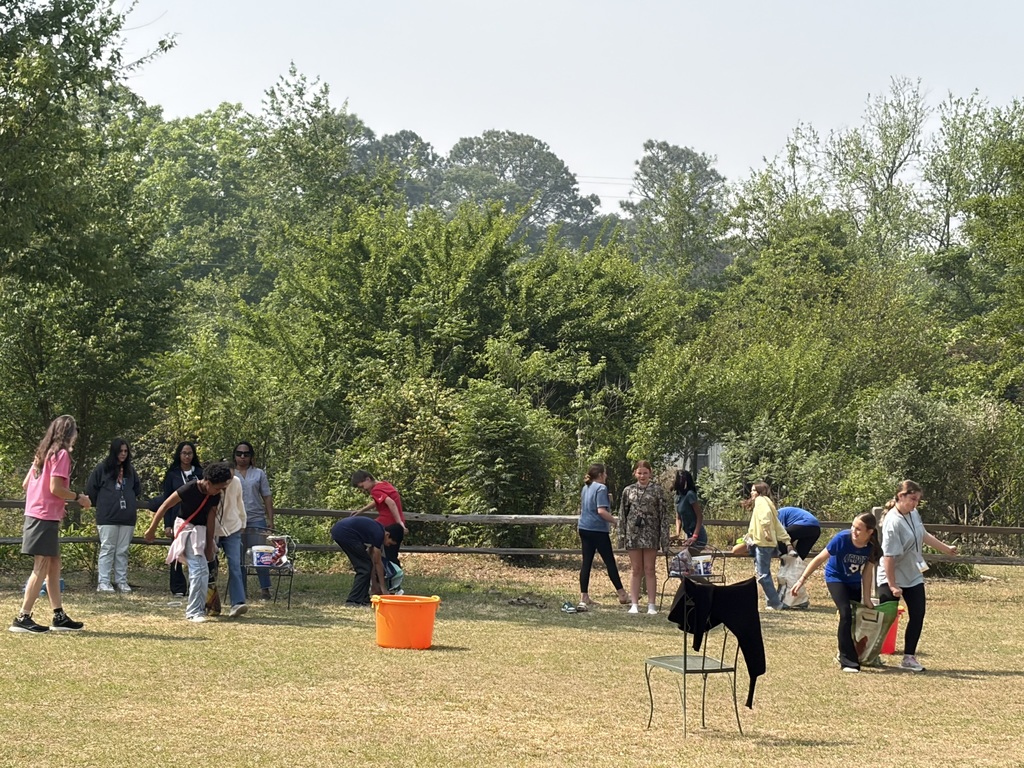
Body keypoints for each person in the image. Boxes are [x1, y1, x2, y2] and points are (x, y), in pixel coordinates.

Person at [10, 415, 92, 634]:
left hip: (38, 514)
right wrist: (78, 498)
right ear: (69, 433)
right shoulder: (62, 454)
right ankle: (23, 617)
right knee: (42, 566)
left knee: (54, 564)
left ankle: (59, 616)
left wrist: (53, 502)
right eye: (75, 431)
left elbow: (27, 483)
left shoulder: (43, 453)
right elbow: (56, 488)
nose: (76, 435)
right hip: (43, 517)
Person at [875, 480, 958, 673]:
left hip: (913, 574)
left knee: (918, 614)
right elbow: (888, 557)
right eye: (912, 499)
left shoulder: (913, 513)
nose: (915, 504)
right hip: (891, 575)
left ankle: (909, 657)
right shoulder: (892, 522)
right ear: (901, 496)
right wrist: (893, 585)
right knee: (885, 618)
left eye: (918, 500)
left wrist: (946, 549)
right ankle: (869, 652)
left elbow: (923, 534)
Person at [791, 512, 881, 672]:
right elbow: (819, 558)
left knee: (854, 620)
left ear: (870, 532)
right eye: (853, 526)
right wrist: (801, 580)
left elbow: (867, 573)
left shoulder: (872, 547)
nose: (854, 531)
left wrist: (867, 598)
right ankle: (848, 662)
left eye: (859, 529)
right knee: (845, 613)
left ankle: (851, 653)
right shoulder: (842, 539)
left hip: (854, 581)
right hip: (836, 578)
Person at [144, 461, 233, 623]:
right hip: (185, 529)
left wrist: (209, 544)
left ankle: (198, 608)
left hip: (201, 531)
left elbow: (211, 519)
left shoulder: (215, 495)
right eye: (218, 487)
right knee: (198, 569)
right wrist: (152, 529)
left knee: (203, 570)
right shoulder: (189, 488)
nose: (219, 491)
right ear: (208, 481)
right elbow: (165, 506)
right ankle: (193, 612)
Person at [86, 438, 142, 593]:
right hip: (107, 516)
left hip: (127, 517)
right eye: (120, 451)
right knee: (108, 548)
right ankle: (103, 582)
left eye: (125, 451)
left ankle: (121, 581)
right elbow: (91, 490)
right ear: (114, 451)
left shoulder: (130, 470)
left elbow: (137, 489)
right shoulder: (102, 468)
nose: (123, 454)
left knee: (122, 550)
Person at [618, 460, 671, 615]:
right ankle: (634, 604)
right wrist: (621, 536)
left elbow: (664, 515)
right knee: (636, 569)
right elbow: (622, 514)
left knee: (649, 569)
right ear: (635, 473)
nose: (642, 476)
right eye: (639, 473)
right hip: (633, 534)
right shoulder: (628, 491)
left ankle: (651, 605)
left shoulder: (657, 490)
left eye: (645, 473)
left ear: (650, 473)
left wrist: (664, 539)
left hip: (651, 534)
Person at [577, 463, 629, 611]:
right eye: (605, 473)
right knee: (609, 561)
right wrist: (614, 521)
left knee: (586, 562)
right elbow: (601, 511)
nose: (606, 476)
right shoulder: (601, 488)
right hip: (597, 529)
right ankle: (622, 594)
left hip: (584, 527)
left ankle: (584, 596)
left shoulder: (586, 488)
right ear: (600, 475)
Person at [153, 442, 203, 596]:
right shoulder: (172, 474)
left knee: (197, 551)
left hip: (197, 518)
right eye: (183, 453)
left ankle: (198, 585)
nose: (187, 456)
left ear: (193, 455)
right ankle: (178, 588)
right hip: (177, 519)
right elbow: (166, 501)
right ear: (179, 455)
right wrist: (167, 524)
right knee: (177, 552)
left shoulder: (200, 473)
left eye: (189, 453)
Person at [733, 481, 792, 611]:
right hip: (760, 543)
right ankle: (771, 602)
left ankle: (776, 603)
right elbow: (777, 525)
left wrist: (765, 531)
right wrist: (787, 541)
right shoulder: (768, 503)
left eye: (754, 490)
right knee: (763, 574)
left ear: (760, 491)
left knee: (763, 575)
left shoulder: (761, 501)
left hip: (763, 543)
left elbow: (765, 518)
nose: (752, 492)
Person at [330, 516, 404, 607]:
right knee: (363, 568)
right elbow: (378, 563)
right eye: (389, 543)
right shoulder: (379, 535)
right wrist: (383, 588)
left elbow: (371, 560)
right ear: (388, 535)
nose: (388, 545)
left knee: (366, 566)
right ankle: (353, 600)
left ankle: (363, 598)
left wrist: (374, 586)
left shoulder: (378, 530)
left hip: (341, 530)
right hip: (345, 533)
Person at [234, 442, 275, 600]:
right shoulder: (231, 474)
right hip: (236, 520)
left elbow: (267, 496)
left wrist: (270, 519)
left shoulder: (259, 473)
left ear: (251, 456)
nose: (242, 457)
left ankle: (265, 588)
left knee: (261, 554)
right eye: (239, 453)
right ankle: (240, 589)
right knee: (239, 556)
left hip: (256, 518)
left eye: (246, 454)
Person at [351, 470, 407, 566]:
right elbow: (379, 501)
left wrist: (399, 522)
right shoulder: (384, 484)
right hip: (396, 526)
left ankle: (364, 563)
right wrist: (361, 511)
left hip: (388, 523)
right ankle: (390, 575)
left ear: (368, 479)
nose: (363, 490)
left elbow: (391, 503)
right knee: (392, 555)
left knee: (359, 533)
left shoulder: (376, 490)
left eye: (362, 486)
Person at [214, 473, 248, 618]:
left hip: (233, 527)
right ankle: (208, 602)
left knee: (235, 564)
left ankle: (238, 603)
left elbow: (239, 501)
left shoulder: (236, 481)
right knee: (209, 566)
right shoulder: (211, 481)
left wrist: (243, 521)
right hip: (212, 528)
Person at [671, 469, 707, 549]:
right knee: (684, 559)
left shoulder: (690, 495)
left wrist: (694, 536)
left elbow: (699, 516)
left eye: (674, 478)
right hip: (688, 534)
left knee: (687, 559)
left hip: (697, 535)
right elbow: (678, 518)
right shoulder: (677, 496)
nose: (672, 480)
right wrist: (677, 534)